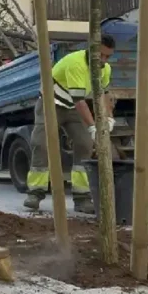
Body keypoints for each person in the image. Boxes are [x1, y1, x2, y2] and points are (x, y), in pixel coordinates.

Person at [24, 35, 117, 214]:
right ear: (91, 51)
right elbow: (80, 101)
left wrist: (108, 119)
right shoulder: (76, 63)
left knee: (85, 144)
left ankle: (82, 197)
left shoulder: (105, 69)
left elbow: (104, 95)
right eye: (101, 56)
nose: (104, 61)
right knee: (41, 144)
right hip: (51, 104)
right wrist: (92, 127)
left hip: (72, 108)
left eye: (108, 57)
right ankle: (35, 193)